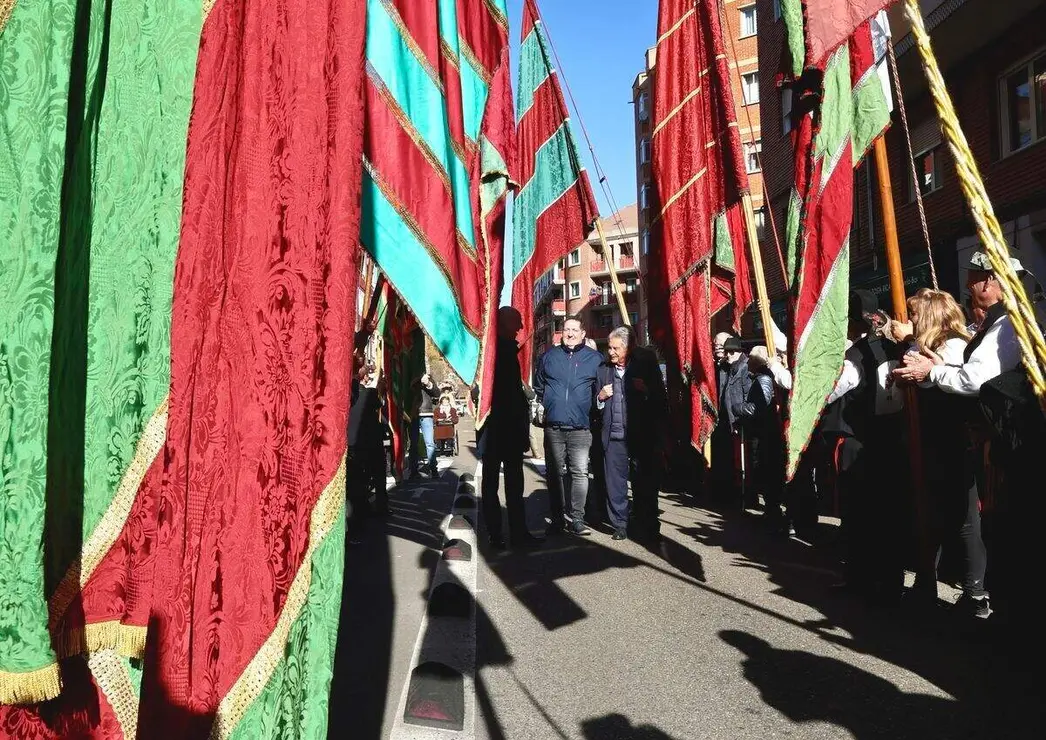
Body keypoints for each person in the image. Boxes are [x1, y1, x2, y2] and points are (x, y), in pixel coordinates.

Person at [892, 253, 1025, 618]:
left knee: (967, 520)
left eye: (914, 315)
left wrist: (929, 371)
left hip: (957, 441)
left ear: (991, 282)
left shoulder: (999, 327)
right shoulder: (976, 332)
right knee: (936, 513)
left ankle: (977, 595)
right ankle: (930, 582)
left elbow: (971, 381)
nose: (969, 286)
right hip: (942, 440)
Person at [823, 289, 906, 603]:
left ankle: (862, 578)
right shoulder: (896, 347)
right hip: (892, 440)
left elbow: (830, 392)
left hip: (861, 443)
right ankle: (890, 581)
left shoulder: (855, 357)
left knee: (859, 513)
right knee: (888, 513)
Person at [595, 327, 669, 543]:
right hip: (614, 436)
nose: (610, 352)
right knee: (615, 484)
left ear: (628, 348)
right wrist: (600, 398)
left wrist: (646, 390)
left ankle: (649, 525)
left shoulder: (645, 365)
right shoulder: (603, 369)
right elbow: (594, 402)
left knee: (645, 482)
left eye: (615, 348)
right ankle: (620, 524)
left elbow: (660, 400)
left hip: (641, 436)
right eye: (609, 348)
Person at [478, 307, 542, 550]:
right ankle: (501, 534)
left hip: (502, 433)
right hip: (499, 431)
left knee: (509, 485)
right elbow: (508, 398)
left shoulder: (502, 350)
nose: (521, 328)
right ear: (504, 324)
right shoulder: (495, 353)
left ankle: (511, 533)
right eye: (517, 322)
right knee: (495, 485)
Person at [533, 315, 603, 536]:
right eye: (566, 330)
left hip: (581, 427)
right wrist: (549, 403)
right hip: (553, 427)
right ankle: (557, 519)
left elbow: (599, 389)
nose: (570, 334)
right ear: (561, 333)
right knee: (554, 474)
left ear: (583, 334)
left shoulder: (595, 359)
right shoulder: (549, 357)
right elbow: (539, 384)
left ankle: (577, 519)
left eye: (574, 330)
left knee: (580, 473)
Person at [736, 346, 786, 530]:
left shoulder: (763, 378)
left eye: (751, 358)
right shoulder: (759, 377)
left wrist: (739, 407)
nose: (748, 361)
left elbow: (761, 407)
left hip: (765, 435)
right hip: (763, 433)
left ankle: (773, 512)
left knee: (768, 473)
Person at [347, 352, 388, 544]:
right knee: (363, 484)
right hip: (365, 445)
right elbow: (378, 407)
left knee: (354, 486)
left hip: (349, 444)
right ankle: (376, 509)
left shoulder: (345, 393)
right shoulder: (367, 394)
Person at [711, 334, 750, 504]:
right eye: (726, 351)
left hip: (738, 419)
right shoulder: (725, 366)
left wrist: (739, 413)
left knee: (741, 460)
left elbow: (746, 395)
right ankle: (725, 494)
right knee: (725, 458)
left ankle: (744, 496)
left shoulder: (744, 367)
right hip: (724, 418)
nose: (728, 355)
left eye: (731, 352)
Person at [411, 372, 441, 477]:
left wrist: (428, 383)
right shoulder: (409, 375)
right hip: (412, 414)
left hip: (426, 413)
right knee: (413, 444)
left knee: (429, 443)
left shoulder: (428, 378)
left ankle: (433, 469)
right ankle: (413, 471)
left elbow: (437, 393)